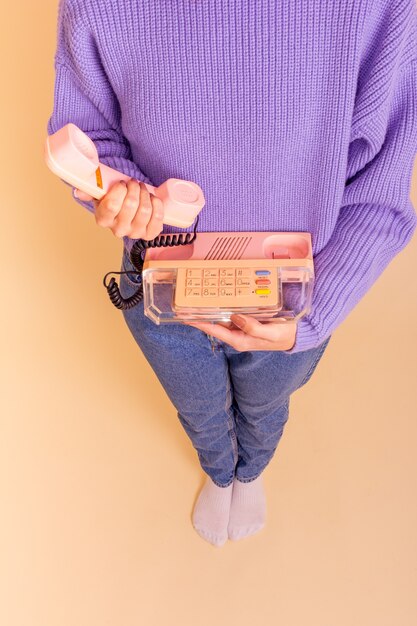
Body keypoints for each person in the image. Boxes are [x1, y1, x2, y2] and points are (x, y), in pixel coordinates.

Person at [47, 0, 417, 547]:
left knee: (266, 403)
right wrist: (119, 190)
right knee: (196, 402)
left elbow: (381, 181)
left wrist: (316, 313)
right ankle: (220, 469)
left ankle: (252, 469)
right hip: (160, 277)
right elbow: (87, 133)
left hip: (295, 293)